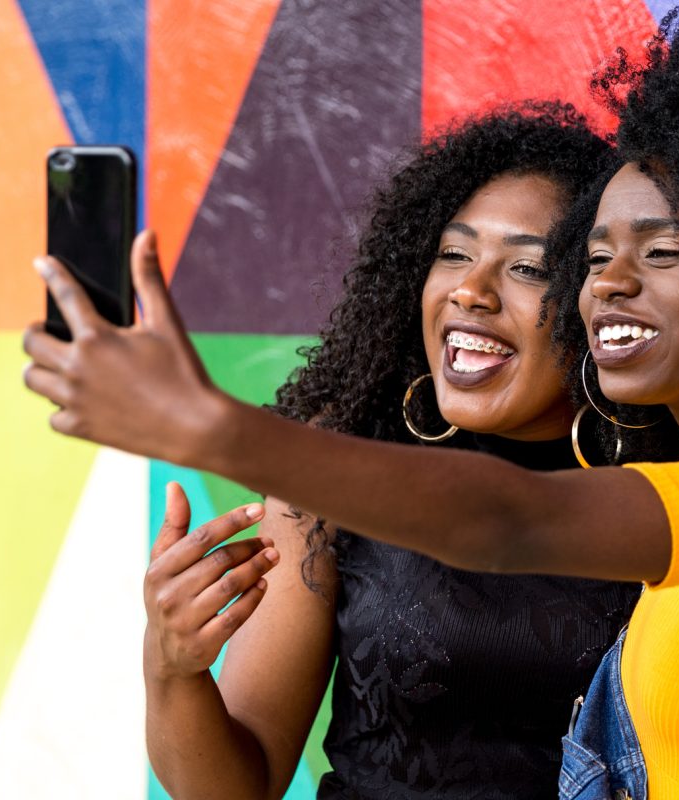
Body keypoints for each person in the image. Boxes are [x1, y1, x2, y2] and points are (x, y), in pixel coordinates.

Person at [22, 2, 679, 796]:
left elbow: (509, 521)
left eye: (661, 253)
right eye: (594, 259)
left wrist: (214, 428)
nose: (609, 285)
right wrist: (170, 669)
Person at [131, 104, 645, 799]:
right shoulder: (340, 457)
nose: (470, 289)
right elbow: (233, 787)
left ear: (598, 295)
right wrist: (172, 667)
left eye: (527, 267)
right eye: (454, 254)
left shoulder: (669, 482)